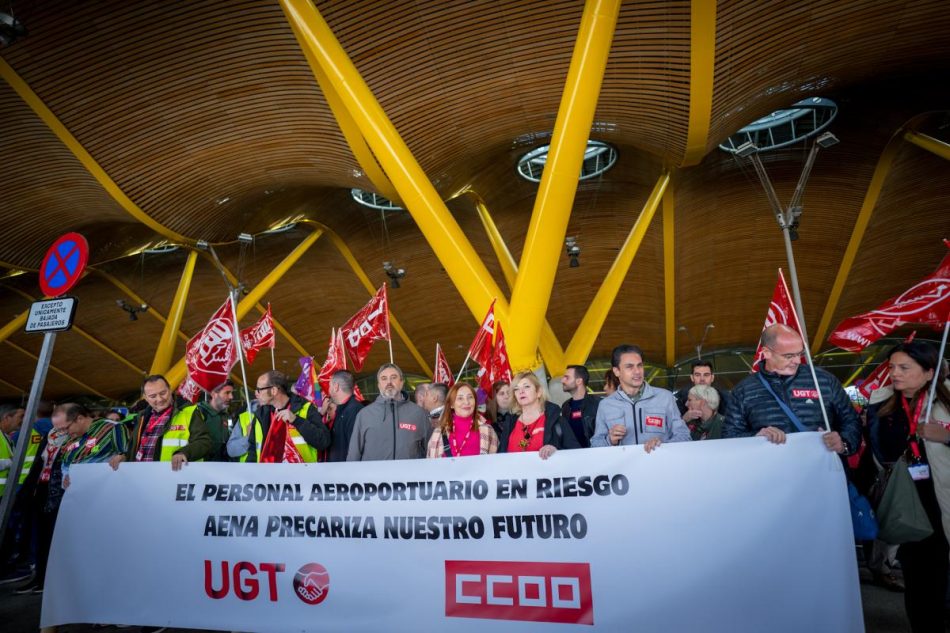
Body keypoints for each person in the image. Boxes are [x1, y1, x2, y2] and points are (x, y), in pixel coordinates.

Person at [867, 340, 949, 633]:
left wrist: (947, 437)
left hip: (943, 502)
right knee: (918, 580)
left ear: (929, 372)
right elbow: (875, 454)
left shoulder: (946, 402)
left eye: (904, 367)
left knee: (940, 577)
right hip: (909, 503)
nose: (895, 373)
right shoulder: (882, 405)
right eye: (891, 367)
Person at [722, 324, 861, 455]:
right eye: (789, 356)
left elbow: (851, 419)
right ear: (767, 353)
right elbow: (729, 436)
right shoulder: (744, 390)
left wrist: (844, 443)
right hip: (771, 474)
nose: (797, 361)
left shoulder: (823, 380)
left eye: (799, 354)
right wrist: (757, 436)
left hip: (822, 470)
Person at [591, 344, 691, 452]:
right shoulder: (606, 405)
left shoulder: (665, 397)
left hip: (660, 466)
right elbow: (595, 445)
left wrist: (663, 445)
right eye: (629, 366)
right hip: (625, 468)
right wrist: (610, 440)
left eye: (639, 365)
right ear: (617, 371)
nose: (637, 371)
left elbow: (684, 435)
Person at [109, 375, 213, 471]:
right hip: (139, 477)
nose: (159, 399)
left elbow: (204, 441)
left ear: (170, 389)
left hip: (172, 477)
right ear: (145, 397)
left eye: (163, 393)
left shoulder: (189, 411)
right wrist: (124, 457)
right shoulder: (142, 417)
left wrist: (184, 453)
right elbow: (134, 448)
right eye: (153, 396)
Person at [347, 363, 429, 461]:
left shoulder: (419, 413)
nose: (389, 382)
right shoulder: (364, 415)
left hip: (409, 475)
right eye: (384, 378)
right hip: (373, 476)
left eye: (393, 377)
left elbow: (430, 450)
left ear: (401, 382)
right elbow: (354, 453)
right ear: (379, 385)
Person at [253, 370, 331, 463]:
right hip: (270, 475)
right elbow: (252, 449)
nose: (256, 393)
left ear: (273, 390)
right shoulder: (261, 414)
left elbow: (323, 442)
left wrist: (296, 420)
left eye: (259, 389)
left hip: (302, 474)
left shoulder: (305, 408)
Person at [498, 372, 579, 459]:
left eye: (526, 387)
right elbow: (500, 457)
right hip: (515, 472)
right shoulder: (510, 423)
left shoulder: (557, 421)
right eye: (516, 389)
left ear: (539, 392)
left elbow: (576, 454)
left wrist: (556, 450)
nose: (521, 391)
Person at [427, 383, 498, 458]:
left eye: (470, 397)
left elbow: (495, 464)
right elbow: (431, 465)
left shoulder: (487, 430)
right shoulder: (438, 432)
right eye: (460, 398)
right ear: (451, 404)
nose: (466, 402)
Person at [324, 370, 363, 462]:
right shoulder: (343, 410)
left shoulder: (353, 411)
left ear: (336, 387)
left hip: (347, 472)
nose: (329, 389)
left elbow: (355, 449)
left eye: (330, 385)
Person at [560, 364, 600, 448]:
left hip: (594, 455)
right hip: (571, 456)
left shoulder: (598, 403)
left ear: (579, 381)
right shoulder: (566, 406)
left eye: (567, 377)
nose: (562, 380)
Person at [201, 381, 235, 462]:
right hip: (202, 466)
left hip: (224, 466)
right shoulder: (199, 413)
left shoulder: (228, 417)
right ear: (213, 394)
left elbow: (230, 438)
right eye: (227, 393)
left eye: (232, 393)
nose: (231, 397)